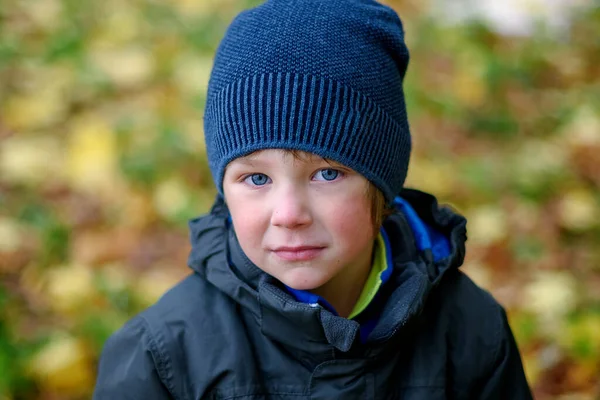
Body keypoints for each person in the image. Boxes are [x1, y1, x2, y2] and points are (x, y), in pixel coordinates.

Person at [93, 0, 533, 398]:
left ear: (381, 181)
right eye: (256, 179)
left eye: (327, 173)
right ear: (223, 189)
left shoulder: (470, 331)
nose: (289, 215)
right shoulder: (162, 357)